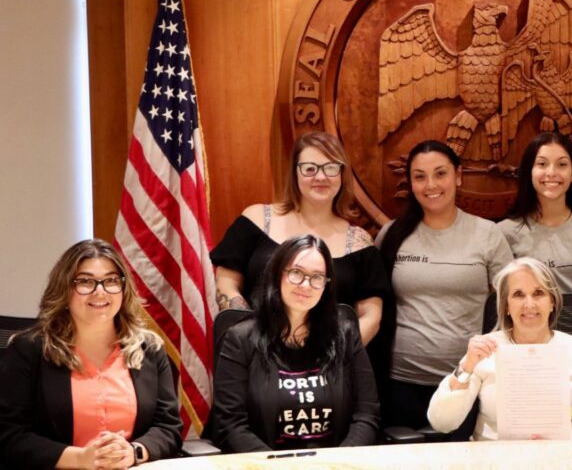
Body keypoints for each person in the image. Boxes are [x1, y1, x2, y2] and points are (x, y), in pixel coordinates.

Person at [0, 239, 182, 469]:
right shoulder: (30, 350)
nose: (100, 291)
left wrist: (133, 452)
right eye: (85, 281)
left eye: (111, 281)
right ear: (65, 290)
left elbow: (168, 427)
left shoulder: (149, 348)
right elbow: (9, 436)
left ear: (124, 290)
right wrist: (81, 458)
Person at [376, 140, 513, 429]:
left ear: (458, 176)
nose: (430, 185)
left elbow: (509, 306)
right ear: (410, 183)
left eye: (440, 173)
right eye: (419, 176)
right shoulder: (391, 235)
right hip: (400, 381)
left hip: (467, 380)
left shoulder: (487, 234)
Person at [211, 131, 388, 346]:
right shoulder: (256, 219)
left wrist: (330, 357)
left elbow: (371, 315)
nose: (321, 177)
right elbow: (226, 281)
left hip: (329, 368)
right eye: (310, 168)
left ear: (342, 174)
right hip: (252, 355)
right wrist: (251, 338)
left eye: (331, 168)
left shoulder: (361, 243)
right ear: (295, 173)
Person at [209, 235, 379, 452]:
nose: (306, 285)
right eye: (296, 273)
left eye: (317, 277)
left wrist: (340, 463)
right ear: (277, 275)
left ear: (326, 285)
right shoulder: (240, 338)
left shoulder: (345, 335)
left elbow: (367, 415)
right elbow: (230, 425)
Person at [427, 257, 572, 440]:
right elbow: (442, 423)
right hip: (493, 460)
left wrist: (563, 440)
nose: (529, 304)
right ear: (506, 306)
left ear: (552, 302)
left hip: (557, 458)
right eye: (518, 294)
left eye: (538, 293)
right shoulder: (485, 349)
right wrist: (467, 366)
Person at [498, 132, 572, 293]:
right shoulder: (505, 232)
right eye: (542, 164)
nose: (552, 172)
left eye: (562, 165)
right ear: (529, 172)